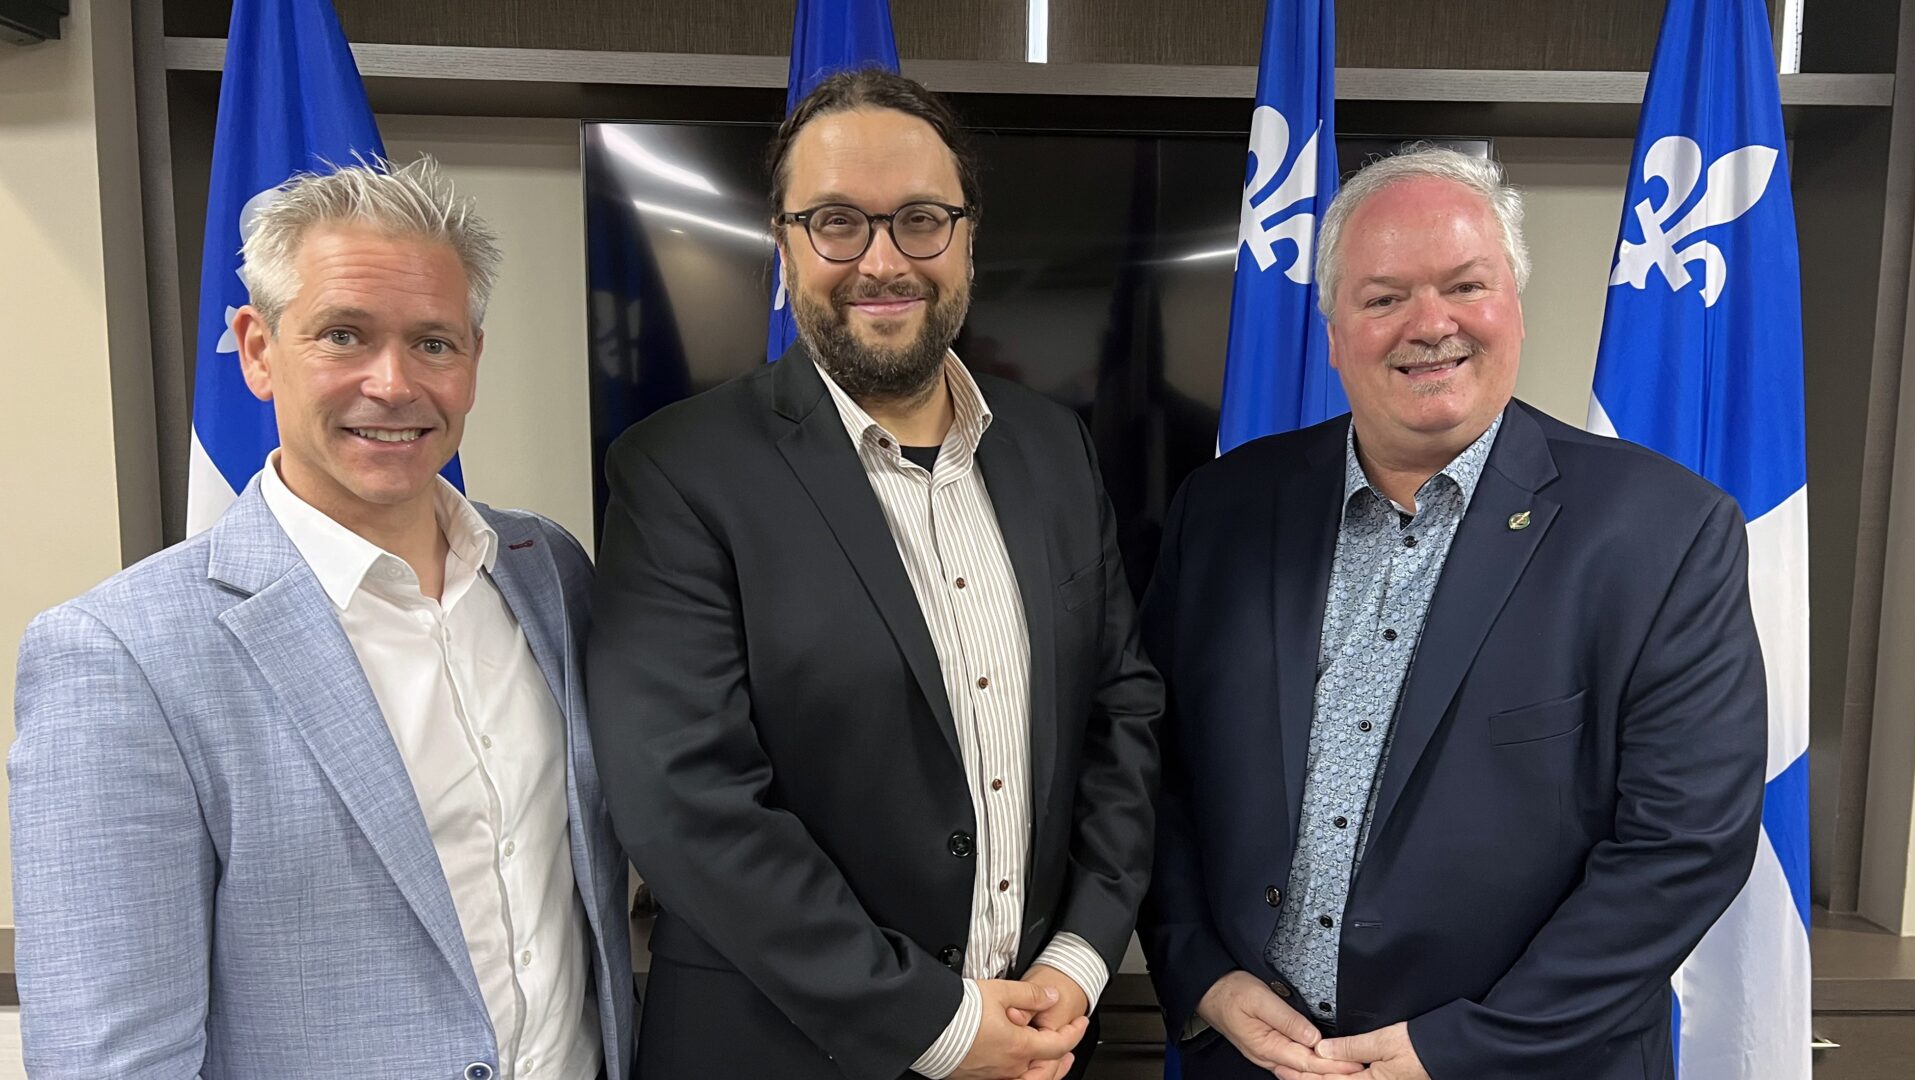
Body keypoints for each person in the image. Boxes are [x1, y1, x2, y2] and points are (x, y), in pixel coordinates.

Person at [1138, 147, 1766, 1080]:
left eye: (1465, 285)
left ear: (1513, 299)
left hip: (1527, 1063)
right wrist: (1201, 972)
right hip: (1256, 1059)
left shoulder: (1666, 533)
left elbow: (1685, 846)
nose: (1430, 325)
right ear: (1335, 330)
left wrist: (1458, 1047)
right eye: (1384, 297)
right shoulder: (1223, 510)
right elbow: (1156, 773)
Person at [585, 69, 1162, 1080]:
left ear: (969, 238)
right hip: (782, 1053)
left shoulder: (1053, 447)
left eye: (922, 220)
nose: (883, 261)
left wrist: (1079, 956)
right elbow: (686, 798)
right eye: (838, 222)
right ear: (785, 244)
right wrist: (934, 1023)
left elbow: (1123, 709)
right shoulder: (675, 469)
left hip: (1041, 1042)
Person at [10, 158, 634, 1080]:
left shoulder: (549, 572)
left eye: (434, 343)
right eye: (344, 335)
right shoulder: (120, 658)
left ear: (473, 360)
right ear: (257, 350)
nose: (393, 383)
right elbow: (112, 1059)